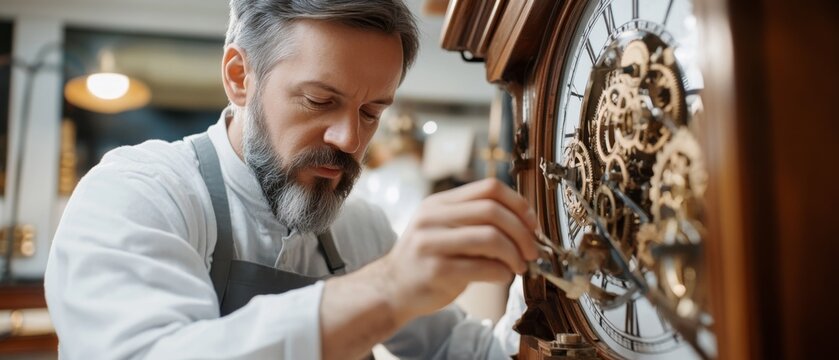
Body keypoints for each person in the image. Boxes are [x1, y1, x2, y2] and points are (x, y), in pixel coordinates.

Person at [44, 1, 538, 359]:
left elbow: (466, 353)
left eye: (371, 111)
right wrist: (387, 287)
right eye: (319, 101)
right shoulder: (139, 192)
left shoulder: (361, 230)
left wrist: (539, 274)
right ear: (240, 77)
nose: (348, 138)